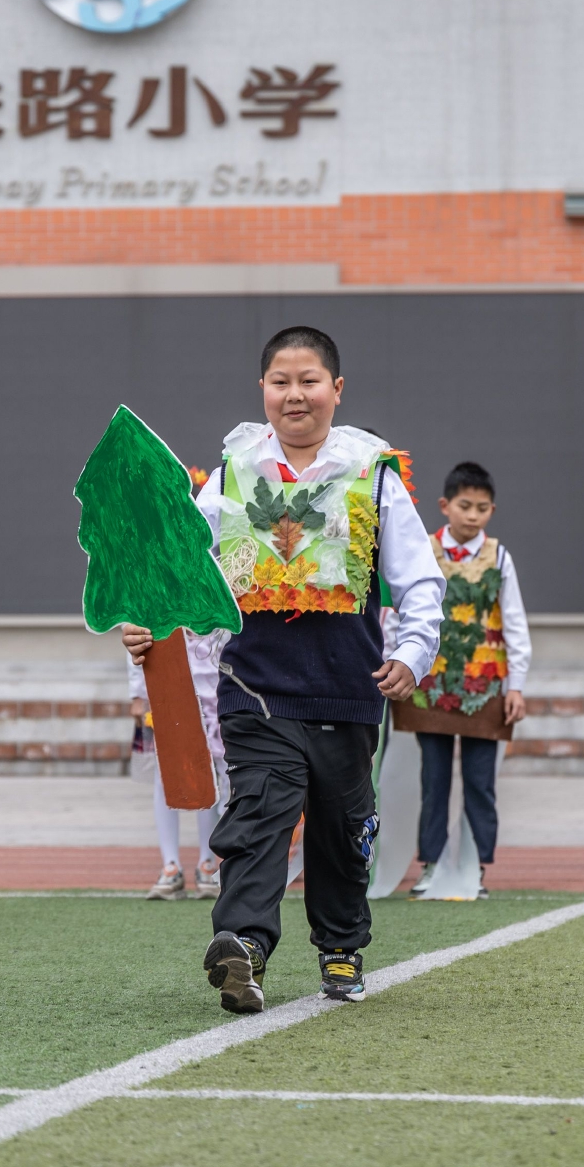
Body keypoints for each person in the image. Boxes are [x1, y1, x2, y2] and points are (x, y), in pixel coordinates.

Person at [121, 325, 444, 1014]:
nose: (294, 395)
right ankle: (243, 946)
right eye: (280, 382)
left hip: (352, 688)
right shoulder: (232, 477)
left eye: (309, 381)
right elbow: (185, 571)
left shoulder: (374, 475)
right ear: (262, 391)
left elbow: (419, 580)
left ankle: (340, 948)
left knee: (340, 827)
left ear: (336, 390)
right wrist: (148, 621)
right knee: (260, 816)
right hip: (256, 688)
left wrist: (411, 654)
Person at [407, 461, 530, 900]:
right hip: (432, 685)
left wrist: (516, 685)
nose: (473, 515)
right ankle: (432, 864)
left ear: (492, 511)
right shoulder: (422, 549)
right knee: (434, 777)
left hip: (487, 685)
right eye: (465, 505)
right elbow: (404, 609)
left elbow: (514, 622)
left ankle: (475, 866)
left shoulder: (499, 557)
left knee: (480, 780)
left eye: (482, 508)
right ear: (445, 506)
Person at [128, 641, 230, 902]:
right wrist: (138, 693)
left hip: (217, 687)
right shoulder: (155, 598)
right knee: (166, 774)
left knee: (212, 777)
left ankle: (208, 864)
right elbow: (138, 631)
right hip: (166, 687)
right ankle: (170, 865)